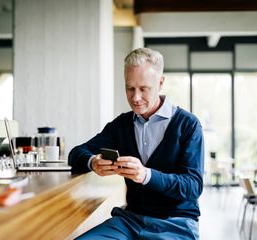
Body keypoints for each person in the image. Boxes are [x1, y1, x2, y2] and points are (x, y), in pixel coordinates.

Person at [68, 48, 204, 240]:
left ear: (160, 82)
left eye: (143, 89)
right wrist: (93, 162)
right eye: (130, 88)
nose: (135, 98)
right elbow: (76, 153)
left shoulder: (188, 125)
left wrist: (146, 175)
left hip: (176, 224)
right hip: (129, 220)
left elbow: (193, 186)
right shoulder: (121, 125)